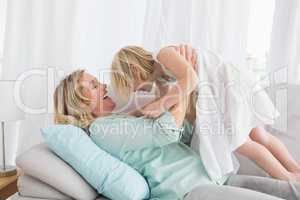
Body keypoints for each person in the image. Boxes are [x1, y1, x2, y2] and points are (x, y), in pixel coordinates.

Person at [53, 69, 299, 200]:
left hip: (215, 178)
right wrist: (183, 86)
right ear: (79, 101)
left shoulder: (121, 119)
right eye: (94, 86)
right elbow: (165, 133)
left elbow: (181, 134)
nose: (104, 86)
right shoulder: (101, 130)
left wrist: (182, 99)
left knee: (292, 190)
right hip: (190, 192)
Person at [110, 44, 300, 183]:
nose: (135, 92)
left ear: (134, 70)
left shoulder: (164, 55)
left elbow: (191, 80)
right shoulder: (161, 81)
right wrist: (134, 114)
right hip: (227, 84)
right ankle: (295, 169)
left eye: (131, 86)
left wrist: (161, 103)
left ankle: (288, 177)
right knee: (259, 135)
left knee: (242, 143)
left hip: (227, 83)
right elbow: (168, 105)